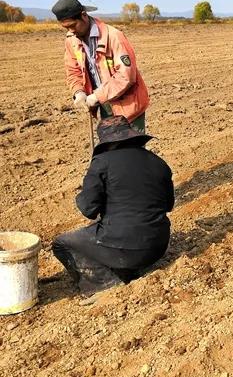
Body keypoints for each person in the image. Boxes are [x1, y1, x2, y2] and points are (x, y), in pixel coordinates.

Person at [52, 116, 174, 305]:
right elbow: (168, 205)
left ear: (106, 142)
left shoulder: (102, 162)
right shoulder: (159, 162)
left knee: (62, 244)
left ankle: (105, 284)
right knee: (116, 234)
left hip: (125, 249)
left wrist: (84, 192)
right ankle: (128, 269)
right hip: (158, 246)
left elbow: (88, 209)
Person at [52, 0, 150, 131]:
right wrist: (78, 91)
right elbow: (73, 70)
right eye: (66, 28)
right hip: (104, 106)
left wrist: (98, 96)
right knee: (110, 149)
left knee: (131, 151)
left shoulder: (113, 36)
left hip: (129, 107)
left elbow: (126, 76)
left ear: (84, 16)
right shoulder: (72, 40)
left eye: (73, 25)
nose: (71, 31)